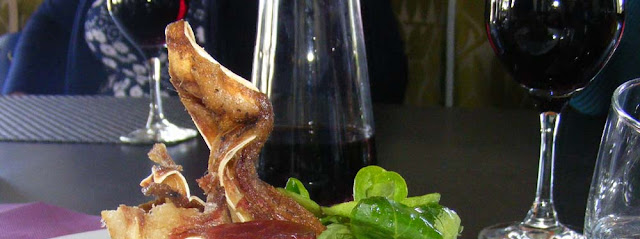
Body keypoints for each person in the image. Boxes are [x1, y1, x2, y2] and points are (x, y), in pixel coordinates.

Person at [2, 0, 408, 103]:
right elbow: (51, 22)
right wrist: (21, 92)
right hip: (100, 135)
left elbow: (382, 68)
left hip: (212, 141)